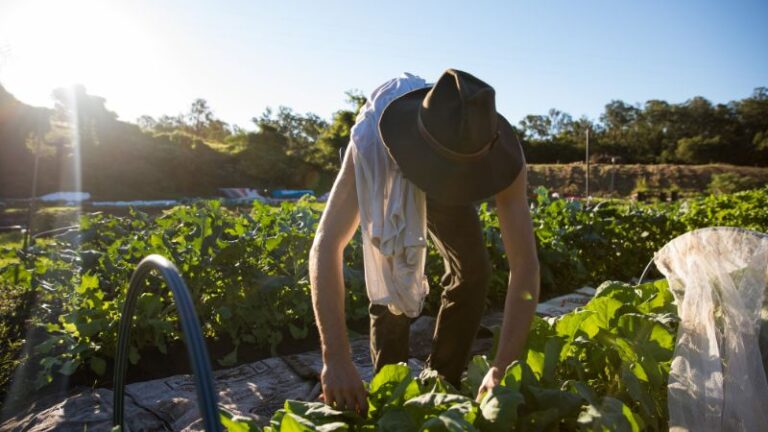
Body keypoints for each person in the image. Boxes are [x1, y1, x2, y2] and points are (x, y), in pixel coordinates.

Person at [309, 69, 540, 414]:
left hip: (449, 161)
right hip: (402, 160)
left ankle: (442, 384)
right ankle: (394, 392)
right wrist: (336, 358)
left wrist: (502, 365)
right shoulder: (373, 143)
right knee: (391, 274)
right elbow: (326, 245)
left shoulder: (498, 152)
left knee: (473, 270)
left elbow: (524, 264)